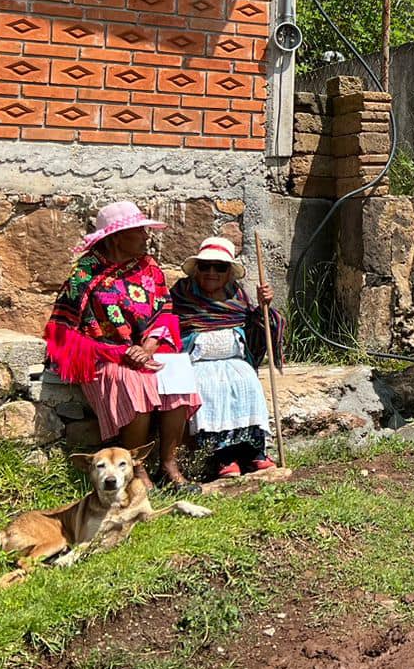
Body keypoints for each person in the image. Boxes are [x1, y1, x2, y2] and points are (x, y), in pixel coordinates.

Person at [44, 201, 201, 491]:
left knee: (177, 376)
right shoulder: (85, 275)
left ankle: (169, 464)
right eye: (139, 231)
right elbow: (63, 332)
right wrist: (118, 352)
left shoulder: (149, 268)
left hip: (145, 352)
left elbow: (165, 311)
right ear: (116, 237)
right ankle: (137, 471)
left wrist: (150, 346)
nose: (146, 236)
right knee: (134, 383)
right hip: (104, 358)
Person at [168, 237, 282, 479]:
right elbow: (171, 328)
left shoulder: (237, 296)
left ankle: (254, 452)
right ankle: (222, 457)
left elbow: (256, 329)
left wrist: (264, 308)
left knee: (248, 383)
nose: (212, 272)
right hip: (197, 363)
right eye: (205, 266)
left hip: (234, 362)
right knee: (209, 388)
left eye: (219, 267)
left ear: (228, 272)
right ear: (197, 269)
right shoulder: (181, 295)